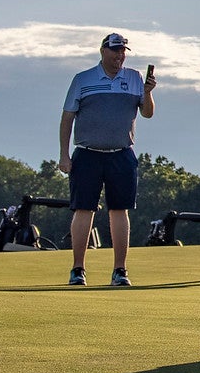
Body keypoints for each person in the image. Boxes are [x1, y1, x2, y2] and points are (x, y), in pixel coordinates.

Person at [59, 33, 154, 288]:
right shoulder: (83, 79)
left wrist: (147, 92)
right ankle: (78, 269)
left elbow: (147, 113)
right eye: (115, 51)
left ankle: (119, 270)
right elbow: (67, 117)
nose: (119, 56)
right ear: (103, 51)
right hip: (87, 153)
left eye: (123, 51)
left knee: (120, 210)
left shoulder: (134, 78)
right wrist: (64, 155)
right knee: (83, 209)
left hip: (121, 153)